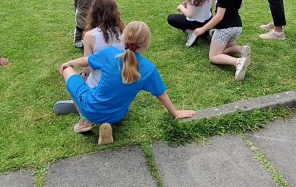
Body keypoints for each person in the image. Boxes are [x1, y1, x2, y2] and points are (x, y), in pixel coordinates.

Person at [59, 21, 195, 145]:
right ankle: (105, 123)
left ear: (123, 38)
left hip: (91, 108)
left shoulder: (110, 54)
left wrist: (69, 63)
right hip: (118, 115)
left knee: (68, 71)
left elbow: (86, 61)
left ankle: (85, 120)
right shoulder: (149, 69)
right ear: (147, 44)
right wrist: (175, 113)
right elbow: (161, 95)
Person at [185, 0, 255, 82]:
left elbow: (219, 17)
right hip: (237, 27)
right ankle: (241, 49)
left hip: (225, 29)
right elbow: (239, 5)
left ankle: (238, 62)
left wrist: (203, 29)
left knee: (214, 56)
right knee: (225, 50)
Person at [70, 0, 127, 133]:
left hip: (98, 86)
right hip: (121, 87)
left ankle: (85, 118)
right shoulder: (124, 32)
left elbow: (88, 69)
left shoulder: (90, 35)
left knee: (73, 77)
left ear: (93, 12)